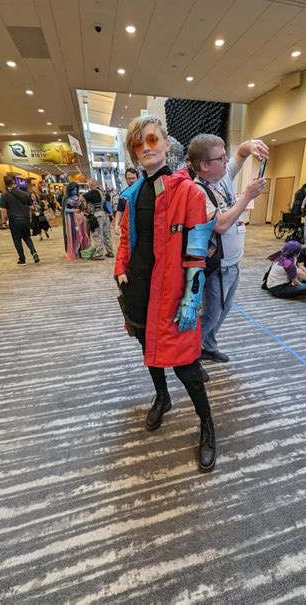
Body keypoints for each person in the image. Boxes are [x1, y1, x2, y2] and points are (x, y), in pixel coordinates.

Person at [114, 115, 216, 472]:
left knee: (186, 365)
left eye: (152, 140)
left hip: (174, 295)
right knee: (148, 349)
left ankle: (207, 425)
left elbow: (198, 249)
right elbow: (127, 238)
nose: (145, 148)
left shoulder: (188, 191)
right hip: (139, 290)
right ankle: (162, 397)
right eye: (138, 145)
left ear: (168, 144)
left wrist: (192, 297)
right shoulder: (133, 192)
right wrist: (120, 270)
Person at [187, 134, 268, 363]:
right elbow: (221, 225)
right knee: (211, 314)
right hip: (218, 268)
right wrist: (247, 196)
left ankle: (208, 345)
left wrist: (250, 146)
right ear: (204, 165)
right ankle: (189, 356)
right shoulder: (197, 192)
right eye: (221, 158)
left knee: (222, 310)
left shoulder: (221, 177)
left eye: (225, 156)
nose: (226, 161)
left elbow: (241, 153)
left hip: (232, 263)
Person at [1, 177, 40, 266]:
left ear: (6, 185)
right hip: (25, 219)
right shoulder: (24, 194)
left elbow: (3, 210)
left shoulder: (5, 196)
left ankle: (22, 259)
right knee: (27, 237)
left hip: (14, 221)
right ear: (15, 183)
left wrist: (3, 222)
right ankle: (34, 253)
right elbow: (31, 207)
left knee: (17, 240)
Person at [81, 178, 113, 260]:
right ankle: (110, 252)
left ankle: (99, 254)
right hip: (106, 215)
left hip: (97, 215)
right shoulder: (105, 192)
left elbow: (81, 198)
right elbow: (109, 202)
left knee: (97, 235)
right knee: (107, 234)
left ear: (91, 185)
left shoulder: (92, 192)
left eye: (89, 185)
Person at [62, 182, 90, 260]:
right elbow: (65, 210)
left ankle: (81, 249)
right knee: (73, 234)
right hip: (71, 219)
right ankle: (74, 250)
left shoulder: (78, 196)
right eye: (73, 189)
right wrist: (74, 210)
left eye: (75, 189)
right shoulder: (66, 198)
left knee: (82, 233)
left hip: (80, 218)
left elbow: (82, 206)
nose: (74, 191)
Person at [115, 168, 139, 235]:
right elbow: (120, 210)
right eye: (129, 178)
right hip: (128, 226)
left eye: (133, 178)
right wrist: (116, 224)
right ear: (126, 180)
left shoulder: (143, 191)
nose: (131, 180)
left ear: (137, 178)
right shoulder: (123, 195)